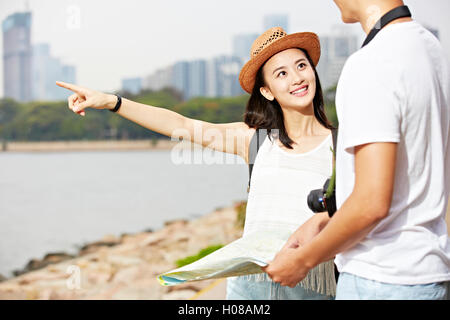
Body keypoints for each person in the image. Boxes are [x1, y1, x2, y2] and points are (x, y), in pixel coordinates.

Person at [56, 27, 337, 300]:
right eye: (282, 74)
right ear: (267, 91)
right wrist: (112, 102)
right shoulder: (255, 140)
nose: (296, 78)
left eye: (301, 66)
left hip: (312, 286)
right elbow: (182, 125)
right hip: (251, 289)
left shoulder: (341, 144)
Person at [263, 0, 450, 300]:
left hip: (379, 280)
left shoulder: (371, 62)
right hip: (426, 273)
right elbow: (411, 175)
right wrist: (324, 220)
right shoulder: (430, 48)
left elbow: (371, 203)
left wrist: (303, 260)